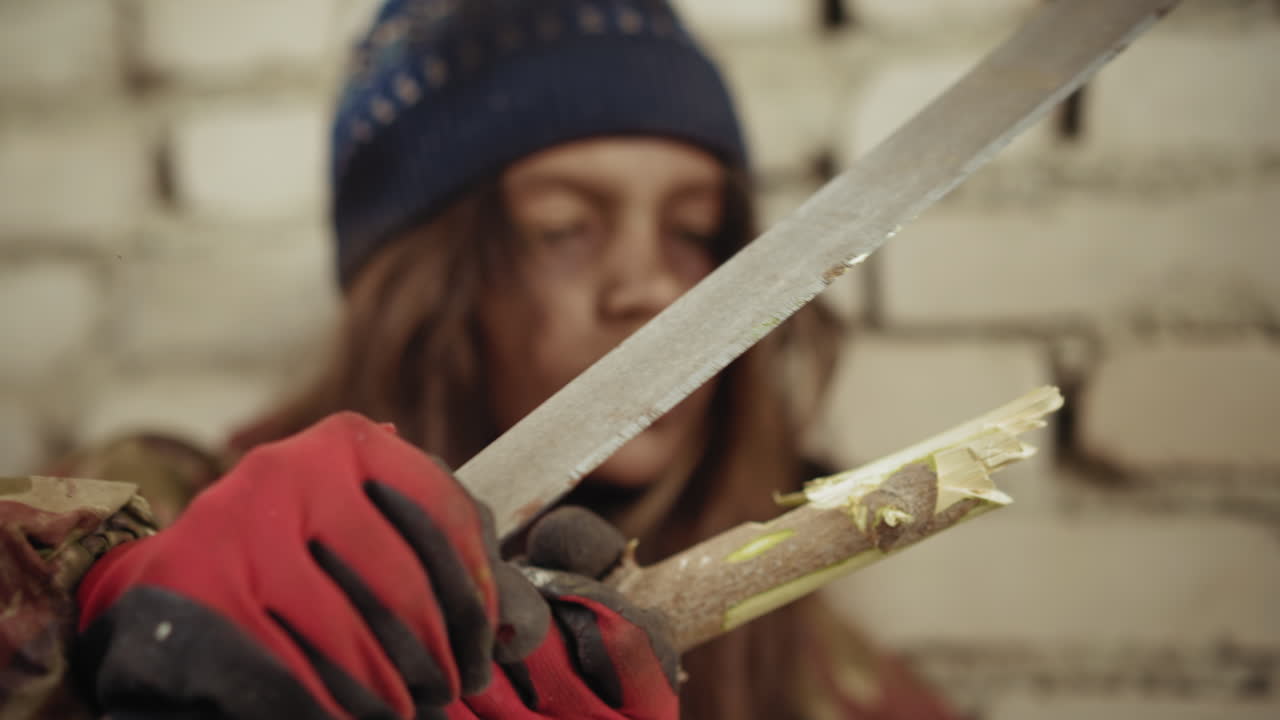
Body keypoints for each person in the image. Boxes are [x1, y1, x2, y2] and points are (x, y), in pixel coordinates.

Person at [0, 1, 960, 718]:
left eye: (694, 230)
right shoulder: (162, 517)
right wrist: (106, 638)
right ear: (426, 286)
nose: (651, 287)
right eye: (563, 229)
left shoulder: (821, 675)